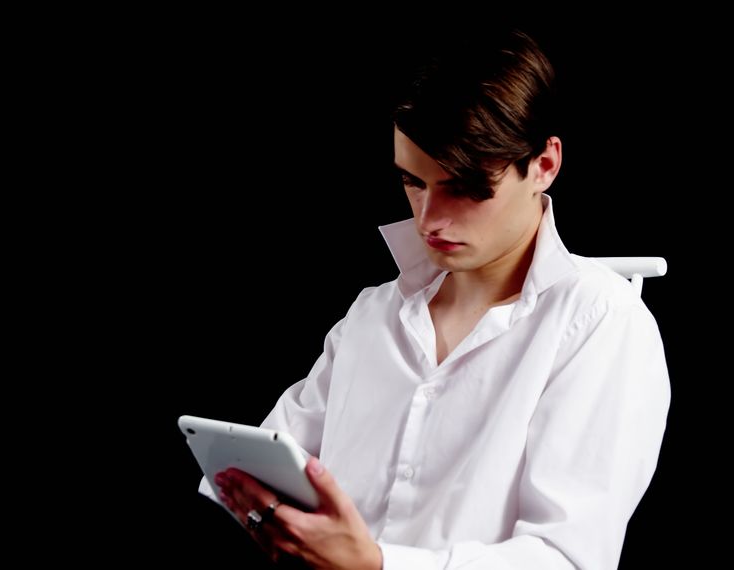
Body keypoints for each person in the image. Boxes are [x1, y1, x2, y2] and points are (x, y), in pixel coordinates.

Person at [199, 29, 670, 569]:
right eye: (413, 181)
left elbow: (567, 558)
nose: (429, 219)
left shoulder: (601, 320)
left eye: (465, 188)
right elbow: (264, 458)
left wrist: (375, 564)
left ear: (544, 165)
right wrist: (256, 498)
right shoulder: (372, 315)